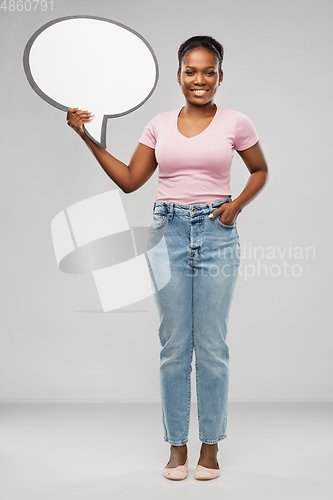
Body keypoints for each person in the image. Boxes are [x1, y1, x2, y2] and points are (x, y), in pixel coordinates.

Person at [66, 35, 268, 481]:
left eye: (208, 71)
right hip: (168, 232)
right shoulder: (158, 124)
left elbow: (260, 170)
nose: (200, 79)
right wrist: (86, 136)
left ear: (219, 75)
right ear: (179, 75)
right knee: (175, 346)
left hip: (217, 234)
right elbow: (131, 180)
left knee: (211, 346)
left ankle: (210, 448)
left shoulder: (236, 122)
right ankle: (178, 447)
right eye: (191, 71)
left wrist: (236, 206)